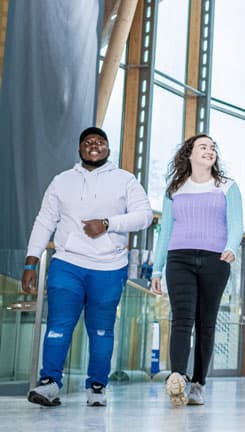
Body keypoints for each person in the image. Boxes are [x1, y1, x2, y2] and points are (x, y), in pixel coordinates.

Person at [22, 127, 153, 407]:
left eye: (100, 141)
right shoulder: (62, 181)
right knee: (58, 325)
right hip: (68, 262)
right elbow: (44, 220)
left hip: (109, 266)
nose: (94, 145)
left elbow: (144, 216)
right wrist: (31, 260)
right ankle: (49, 383)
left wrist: (108, 223)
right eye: (88, 141)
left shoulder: (125, 180)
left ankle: (97, 386)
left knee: (101, 330)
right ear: (80, 148)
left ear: (108, 148)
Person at [150, 134, 243, 407]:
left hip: (216, 260)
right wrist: (156, 270)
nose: (210, 150)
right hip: (179, 259)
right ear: (189, 154)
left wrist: (232, 247)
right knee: (182, 319)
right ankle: (177, 376)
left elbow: (236, 223)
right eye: (203, 146)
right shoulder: (175, 189)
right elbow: (165, 230)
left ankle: (198, 383)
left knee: (206, 323)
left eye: (213, 147)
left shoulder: (227, 186)